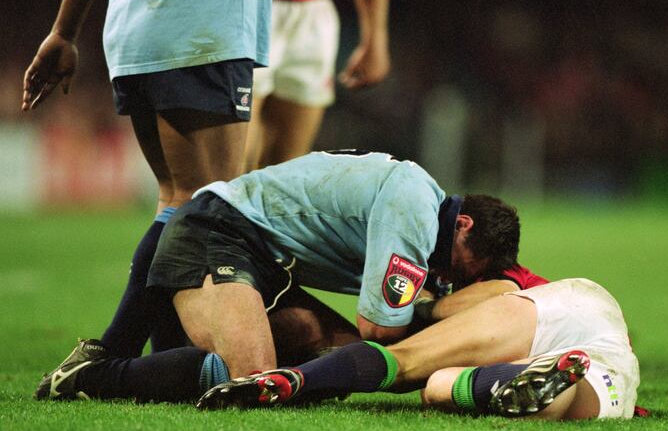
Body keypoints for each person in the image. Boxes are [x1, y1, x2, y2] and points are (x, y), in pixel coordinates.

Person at [35, 150, 521, 402]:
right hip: (217, 232)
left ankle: (172, 349)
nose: (447, 276)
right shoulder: (417, 209)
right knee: (256, 377)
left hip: (264, 260)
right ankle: (94, 376)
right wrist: (444, 319)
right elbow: (381, 330)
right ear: (463, 224)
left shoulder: (422, 201)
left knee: (319, 342)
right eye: (459, 267)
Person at [22, 0, 276, 360]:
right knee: (206, 200)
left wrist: (63, 33)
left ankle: (166, 354)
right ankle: (108, 355)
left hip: (138, 29)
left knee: (176, 198)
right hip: (199, 31)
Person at [197, 278, 640, 421]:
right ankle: (542, 385)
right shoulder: (498, 270)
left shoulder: (483, 279)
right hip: (600, 335)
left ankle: (297, 379)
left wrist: (423, 314)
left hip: (552, 302)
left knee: (419, 374)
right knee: (444, 390)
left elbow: (501, 289)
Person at [245, 0, 391, 170]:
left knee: (287, 168)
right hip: (249, 2)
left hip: (315, 10)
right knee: (233, 162)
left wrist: (375, 38)